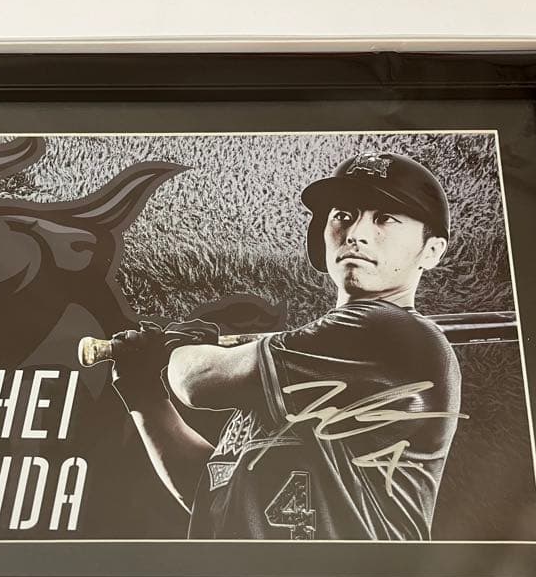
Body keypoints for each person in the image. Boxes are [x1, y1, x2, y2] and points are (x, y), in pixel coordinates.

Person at [110, 152, 463, 540]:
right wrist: (145, 397)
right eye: (344, 215)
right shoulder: (296, 363)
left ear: (431, 250)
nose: (356, 233)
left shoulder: (387, 331)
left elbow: (195, 382)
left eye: (384, 219)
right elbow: (218, 497)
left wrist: (181, 345)